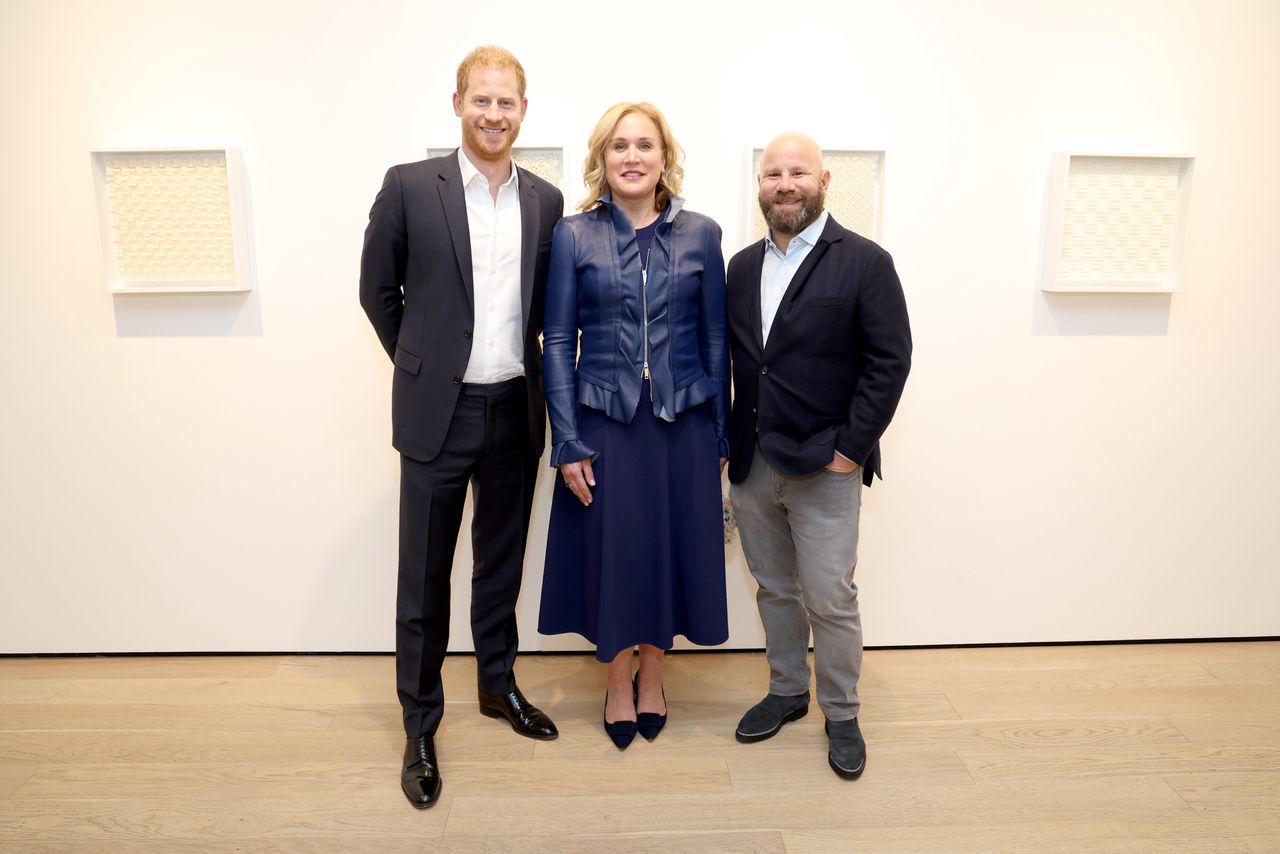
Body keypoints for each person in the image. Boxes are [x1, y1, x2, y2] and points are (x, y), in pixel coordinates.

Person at [359, 46, 564, 809]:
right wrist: (420, 362)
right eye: (481, 100)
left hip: (515, 407)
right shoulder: (412, 187)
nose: (493, 114)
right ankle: (419, 725)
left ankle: (497, 687)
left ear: (522, 111)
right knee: (423, 579)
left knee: (499, 568)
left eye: (506, 102)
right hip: (436, 414)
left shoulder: (545, 201)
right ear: (457, 104)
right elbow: (377, 289)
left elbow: (547, 310)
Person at [539, 102, 730, 749]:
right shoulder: (574, 235)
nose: (632, 156)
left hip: (683, 425)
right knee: (615, 557)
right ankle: (617, 683)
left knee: (667, 552)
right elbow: (558, 338)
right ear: (602, 157)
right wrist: (566, 440)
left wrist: (723, 437)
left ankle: (655, 677)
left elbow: (715, 340)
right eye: (619, 145)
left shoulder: (702, 233)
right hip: (604, 423)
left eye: (644, 144)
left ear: (664, 156)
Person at [726, 132, 911, 780]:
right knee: (775, 589)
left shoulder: (865, 262)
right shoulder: (742, 266)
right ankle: (786, 691)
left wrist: (850, 449)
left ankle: (841, 710)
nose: (784, 183)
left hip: (825, 465)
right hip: (751, 463)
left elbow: (890, 362)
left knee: (829, 598)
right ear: (760, 185)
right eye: (773, 173)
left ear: (824, 180)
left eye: (797, 172)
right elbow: (745, 361)